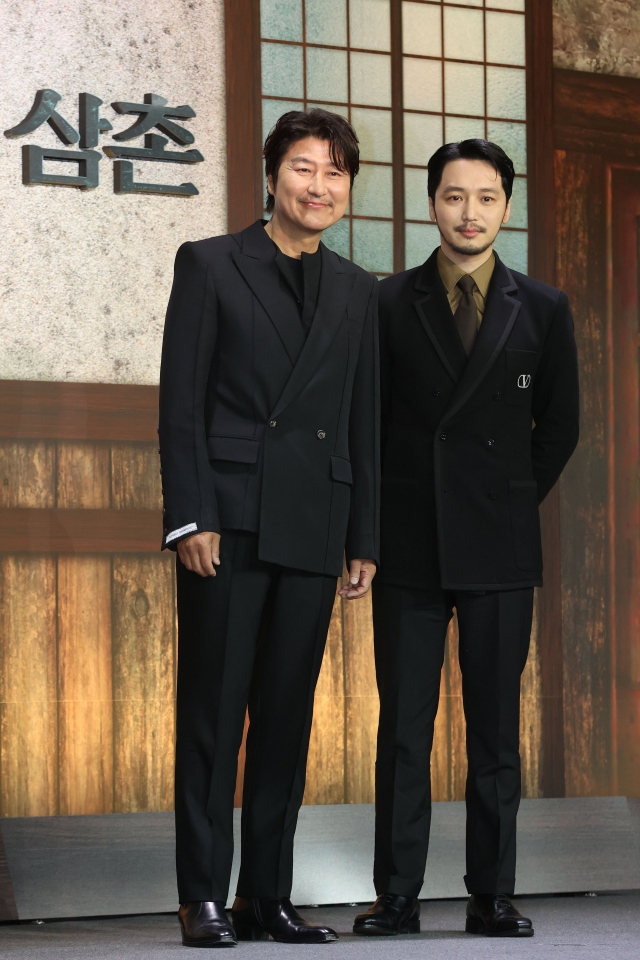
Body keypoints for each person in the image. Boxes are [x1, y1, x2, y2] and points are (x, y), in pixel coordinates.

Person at [159, 109, 379, 947]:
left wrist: (364, 536)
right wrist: (191, 517)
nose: (318, 186)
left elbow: (361, 419)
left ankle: (269, 895)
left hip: (314, 519)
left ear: (347, 188)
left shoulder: (358, 289)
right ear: (272, 174)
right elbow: (180, 404)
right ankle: (202, 896)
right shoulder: (212, 263)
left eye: (333, 173)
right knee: (213, 712)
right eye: (303, 168)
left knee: (287, 717)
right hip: (229, 517)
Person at [353, 139, 579, 939]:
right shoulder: (385, 303)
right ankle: (398, 897)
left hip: (498, 547)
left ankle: (491, 894)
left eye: (486, 198)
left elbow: (559, 426)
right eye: (454, 196)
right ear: (431, 203)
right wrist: (369, 532)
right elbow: (368, 427)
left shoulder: (543, 306)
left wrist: (508, 500)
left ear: (506, 208)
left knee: (494, 732)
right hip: (409, 546)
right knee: (404, 732)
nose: (469, 212)